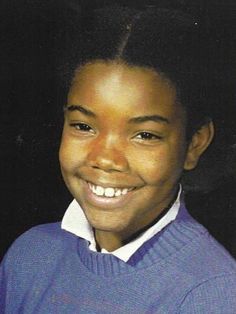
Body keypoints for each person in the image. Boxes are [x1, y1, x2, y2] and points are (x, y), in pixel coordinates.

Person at [0, 6, 236, 313]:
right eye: (84, 126)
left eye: (145, 135)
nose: (105, 159)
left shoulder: (213, 293)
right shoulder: (29, 256)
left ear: (194, 143)